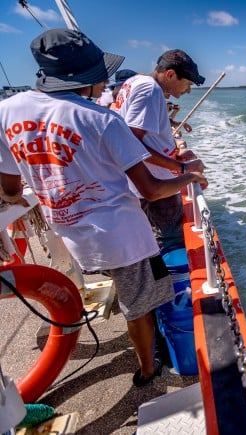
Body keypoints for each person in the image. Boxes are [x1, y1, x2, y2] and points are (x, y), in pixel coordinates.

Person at [0, 29, 208, 387]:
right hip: (122, 236)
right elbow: (152, 189)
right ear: (82, 77)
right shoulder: (100, 119)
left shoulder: (7, 111)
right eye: (101, 73)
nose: (107, 80)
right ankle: (147, 370)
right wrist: (189, 178)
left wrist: (14, 196)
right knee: (139, 305)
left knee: (131, 293)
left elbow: (10, 185)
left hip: (70, 227)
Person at [114, 49, 206, 252]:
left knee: (150, 240)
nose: (188, 90)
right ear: (171, 74)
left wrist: (174, 154)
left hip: (139, 183)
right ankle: (169, 282)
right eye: (188, 84)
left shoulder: (135, 81)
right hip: (156, 187)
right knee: (168, 243)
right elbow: (131, 143)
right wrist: (182, 167)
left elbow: (142, 137)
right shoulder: (150, 90)